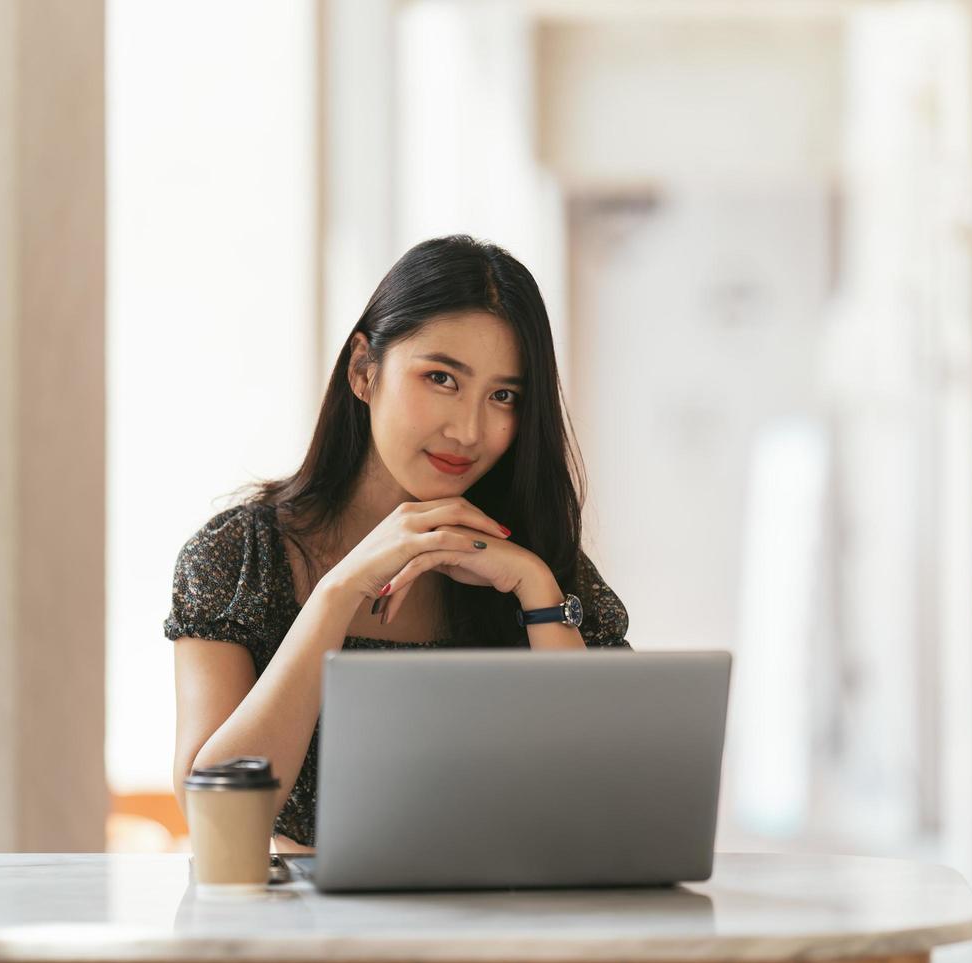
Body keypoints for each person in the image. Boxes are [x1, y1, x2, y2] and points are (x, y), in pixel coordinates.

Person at [164, 234, 631, 853]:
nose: (468, 430)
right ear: (364, 370)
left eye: (503, 396)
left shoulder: (540, 561)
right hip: (306, 940)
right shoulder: (240, 557)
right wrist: (336, 595)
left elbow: (607, 800)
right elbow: (214, 815)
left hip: (505, 931)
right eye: (441, 378)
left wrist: (538, 592)